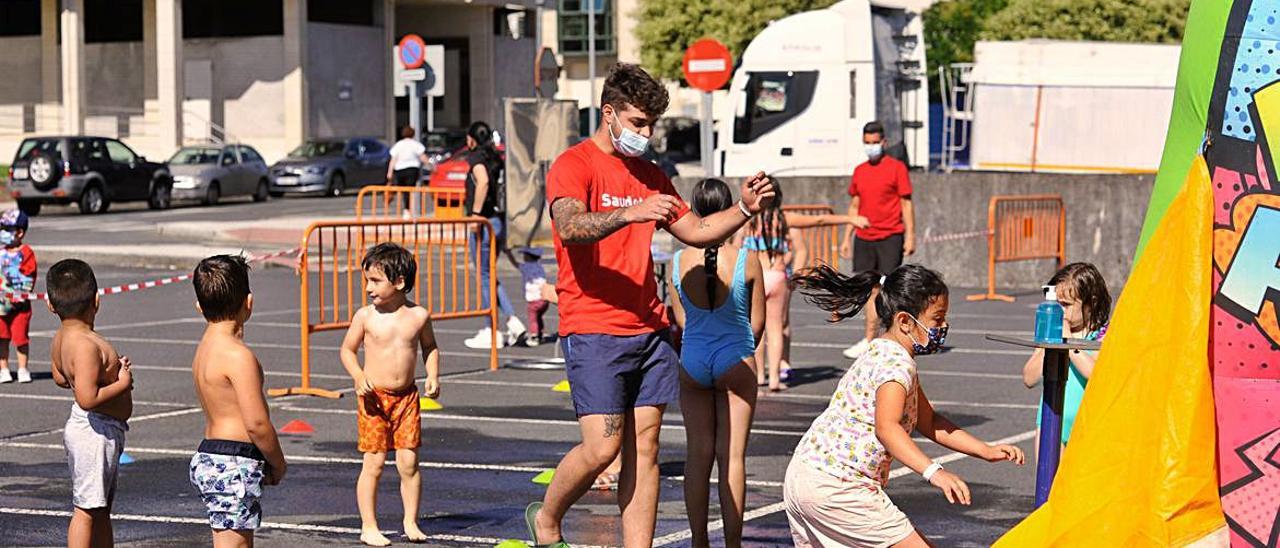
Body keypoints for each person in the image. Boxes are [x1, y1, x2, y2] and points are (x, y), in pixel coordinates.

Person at [525, 62, 775, 548]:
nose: (646, 133)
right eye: (638, 123)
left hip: (650, 329)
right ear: (609, 114)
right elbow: (569, 227)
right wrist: (629, 212)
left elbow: (697, 231)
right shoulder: (573, 165)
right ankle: (547, 519)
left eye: (651, 124)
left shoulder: (651, 173)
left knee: (646, 448)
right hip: (594, 326)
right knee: (602, 448)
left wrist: (743, 208)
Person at [783, 264, 1025, 547]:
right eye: (936, 320)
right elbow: (887, 428)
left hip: (805, 474)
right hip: (840, 487)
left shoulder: (881, 351)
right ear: (905, 322)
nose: (942, 328)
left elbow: (930, 421)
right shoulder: (896, 366)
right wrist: (935, 473)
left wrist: (986, 450)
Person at [668, 178, 766, 547]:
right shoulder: (747, 260)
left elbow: (680, 321)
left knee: (698, 456)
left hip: (692, 359)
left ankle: (697, 541)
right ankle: (733, 544)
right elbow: (757, 325)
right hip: (735, 358)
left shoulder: (677, 262)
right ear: (729, 212)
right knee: (732, 458)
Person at [339, 243, 441, 547]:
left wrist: (433, 374)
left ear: (399, 282)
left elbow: (430, 347)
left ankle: (410, 520)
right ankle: (368, 525)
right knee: (374, 463)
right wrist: (358, 376)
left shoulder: (419, 316)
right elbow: (347, 350)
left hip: (406, 399)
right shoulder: (365, 317)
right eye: (367, 280)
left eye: (375, 280)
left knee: (409, 463)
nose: (368, 287)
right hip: (373, 399)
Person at [188, 255, 288, 547]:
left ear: (199, 306)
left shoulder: (204, 349)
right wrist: (278, 463)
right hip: (234, 460)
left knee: (228, 541)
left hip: (211, 454)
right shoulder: (237, 356)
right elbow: (257, 423)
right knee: (236, 544)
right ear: (249, 302)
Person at [740, 185, 864, 392]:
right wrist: (850, 219)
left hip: (757, 276)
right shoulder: (784, 219)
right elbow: (819, 220)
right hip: (778, 275)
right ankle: (775, 380)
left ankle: (759, 375)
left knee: (756, 327)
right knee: (776, 327)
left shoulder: (750, 220)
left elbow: (735, 243)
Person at [46, 259, 134, 548]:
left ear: (50, 305)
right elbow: (87, 399)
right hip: (94, 432)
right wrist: (121, 382)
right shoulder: (85, 343)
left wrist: (100, 373)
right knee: (86, 509)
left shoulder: (62, 337)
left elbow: (60, 377)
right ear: (97, 300)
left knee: (100, 507)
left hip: (97, 430)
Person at [840, 121, 916, 360]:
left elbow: (906, 203)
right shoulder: (860, 171)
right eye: (867, 143)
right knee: (870, 290)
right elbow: (854, 205)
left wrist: (911, 235)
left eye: (875, 143)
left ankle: (894, 336)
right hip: (864, 237)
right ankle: (870, 339)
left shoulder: (896, 168)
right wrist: (846, 237)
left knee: (888, 289)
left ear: (883, 142)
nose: (871, 147)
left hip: (890, 235)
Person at [1022, 262, 1111, 448]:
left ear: (1091, 303)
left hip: (1090, 427)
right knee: (1049, 477)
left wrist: (1068, 341)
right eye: (1057, 303)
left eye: (1067, 305)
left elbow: (1096, 373)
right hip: (1051, 421)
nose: (1060, 310)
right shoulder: (1052, 330)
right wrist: (1049, 343)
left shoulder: (1104, 335)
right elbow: (1029, 378)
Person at [461, 120, 527, 349]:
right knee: (488, 275)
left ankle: (492, 328)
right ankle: (512, 321)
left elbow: (483, 182)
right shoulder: (495, 157)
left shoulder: (476, 157)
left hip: (485, 221)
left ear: (471, 139)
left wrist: (476, 214)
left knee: (484, 275)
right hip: (498, 220)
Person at [0, 209, 35, 384]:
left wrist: (20, 293)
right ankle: (4, 368)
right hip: (0, 306)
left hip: (19, 307)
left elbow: (28, 276)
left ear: (20, 232)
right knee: (1, 338)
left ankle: (23, 368)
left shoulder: (26, 253)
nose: (3, 232)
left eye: (7, 228)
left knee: (20, 338)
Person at [385, 126, 430, 217]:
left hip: (400, 170)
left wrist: (390, 172)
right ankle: (409, 210)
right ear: (413, 134)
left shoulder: (398, 145)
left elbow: (393, 159)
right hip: (412, 170)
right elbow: (422, 157)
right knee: (410, 190)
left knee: (404, 191)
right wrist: (431, 165)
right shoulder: (416, 144)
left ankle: (406, 209)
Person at [518, 247, 552, 347]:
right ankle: (540, 334)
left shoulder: (527, 267)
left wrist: (508, 254)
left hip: (535, 299)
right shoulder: (539, 267)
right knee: (539, 317)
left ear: (528, 257)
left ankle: (534, 336)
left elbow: (516, 265)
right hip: (544, 299)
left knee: (532, 317)